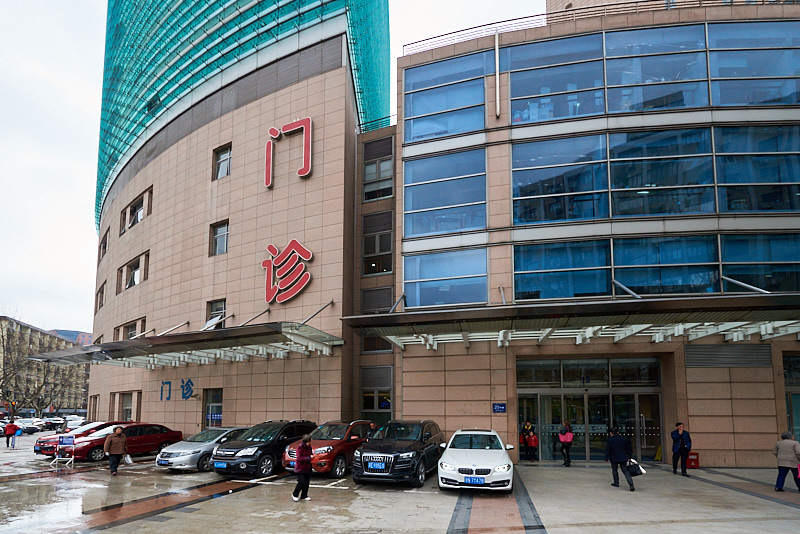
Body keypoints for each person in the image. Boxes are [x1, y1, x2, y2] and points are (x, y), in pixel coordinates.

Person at [606, 427, 635, 492]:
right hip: (623, 457)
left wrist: (606, 457)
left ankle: (616, 483)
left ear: (611, 433)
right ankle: (631, 484)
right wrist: (630, 456)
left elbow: (608, 449)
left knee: (614, 470)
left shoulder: (610, 440)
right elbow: (628, 448)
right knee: (625, 471)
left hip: (614, 458)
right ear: (618, 432)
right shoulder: (624, 439)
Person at [292, 434, 312, 502]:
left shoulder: (309, 447)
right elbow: (299, 458)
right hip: (300, 468)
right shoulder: (300, 447)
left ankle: (304, 495)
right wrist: (309, 458)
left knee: (306, 482)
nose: (309, 443)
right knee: (301, 482)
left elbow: (310, 454)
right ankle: (295, 494)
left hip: (308, 467)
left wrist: (312, 457)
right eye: (309, 441)